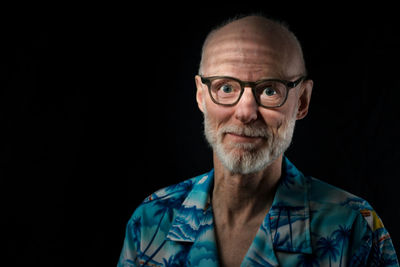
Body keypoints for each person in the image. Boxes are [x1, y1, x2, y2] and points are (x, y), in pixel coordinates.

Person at [117, 15, 398, 267]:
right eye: (225, 88)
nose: (246, 112)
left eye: (269, 91)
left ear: (302, 101)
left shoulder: (354, 229)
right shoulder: (151, 220)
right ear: (201, 96)